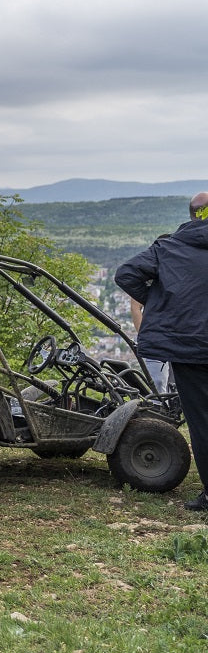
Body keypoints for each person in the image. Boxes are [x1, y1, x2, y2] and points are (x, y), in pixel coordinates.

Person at [115, 191, 208, 511]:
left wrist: (160, 302)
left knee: (201, 422)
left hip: (189, 349)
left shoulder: (168, 247)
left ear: (193, 213)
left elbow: (126, 274)